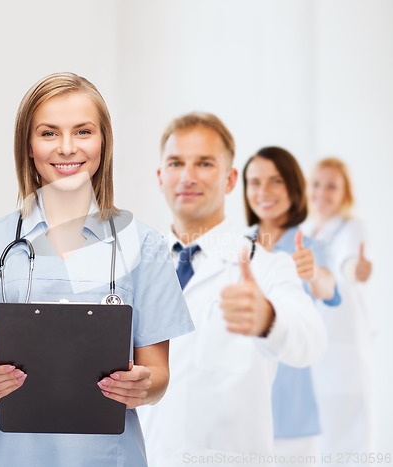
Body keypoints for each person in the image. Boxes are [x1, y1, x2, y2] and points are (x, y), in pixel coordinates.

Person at [0, 72, 194, 467]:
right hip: (11, 455)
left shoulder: (146, 246)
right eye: (49, 133)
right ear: (29, 146)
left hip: (110, 456)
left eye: (83, 131)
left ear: (103, 142)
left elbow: (158, 378)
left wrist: (143, 387)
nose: (67, 148)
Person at [138, 112, 327, 467]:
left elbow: (312, 340)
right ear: (161, 177)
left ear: (229, 179)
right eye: (176, 163)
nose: (188, 177)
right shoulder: (134, 269)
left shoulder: (265, 266)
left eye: (205, 163)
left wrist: (269, 318)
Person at [242, 147, 341, 467]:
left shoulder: (310, 248)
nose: (264, 192)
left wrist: (313, 273)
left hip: (293, 415)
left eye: (276, 182)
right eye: (254, 182)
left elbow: (329, 289)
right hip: (243, 408)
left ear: (293, 188)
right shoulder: (236, 247)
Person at [303, 157, 374, 465]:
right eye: (317, 184)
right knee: (323, 439)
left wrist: (355, 268)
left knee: (349, 439)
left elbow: (348, 261)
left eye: (332, 186)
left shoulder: (351, 228)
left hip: (344, 348)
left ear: (345, 192)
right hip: (317, 347)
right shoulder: (305, 230)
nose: (322, 192)